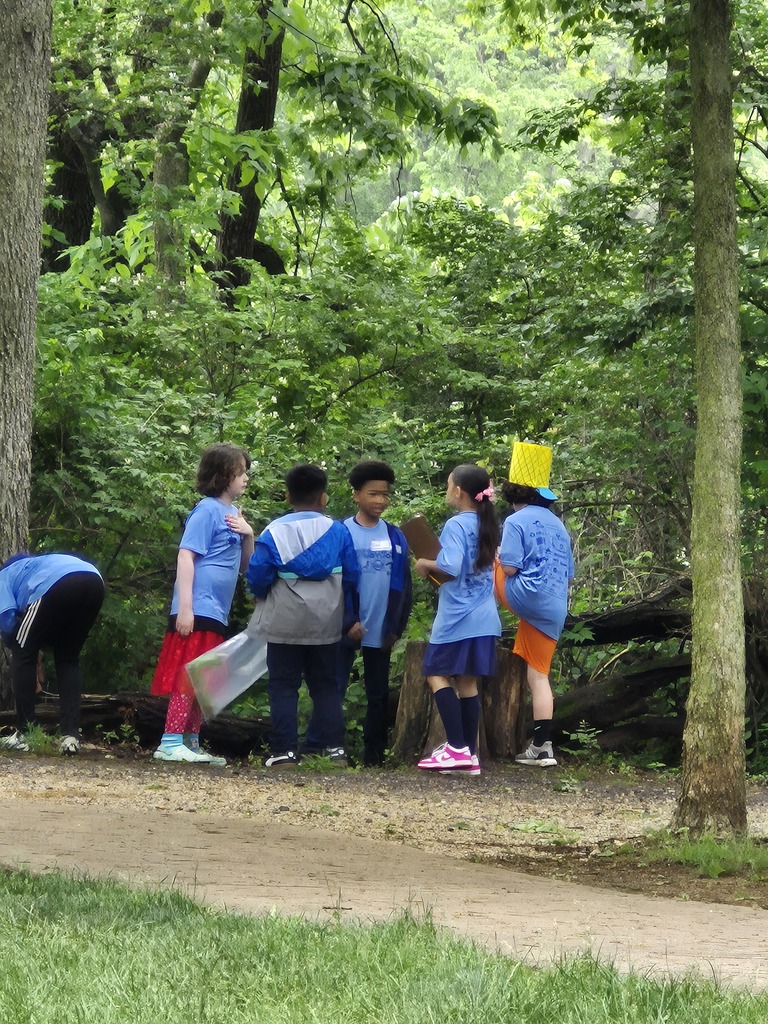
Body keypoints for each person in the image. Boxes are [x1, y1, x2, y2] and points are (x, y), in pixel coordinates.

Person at [245, 463, 360, 767]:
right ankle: (333, 749)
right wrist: (348, 613)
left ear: (288, 496)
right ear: (323, 497)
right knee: (326, 685)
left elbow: (258, 574)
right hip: (327, 620)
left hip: (285, 619)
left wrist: (258, 592)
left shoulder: (274, 531)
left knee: (283, 685)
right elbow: (352, 575)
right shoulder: (338, 530)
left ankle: (283, 751)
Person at [151, 443, 253, 765]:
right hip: (197, 608)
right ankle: (170, 741)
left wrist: (249, 535)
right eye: (241, 472)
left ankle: (191, 742)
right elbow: (186, 556)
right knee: (188, 674)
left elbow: (245, 567)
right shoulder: (206, 510)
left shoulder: (234, 515)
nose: (246, 478)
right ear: (223, 475)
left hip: (216, 611)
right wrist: (185, 608)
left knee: (203, 678)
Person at [306, 460, 412, 767]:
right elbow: (331, 582)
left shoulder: (395, 537)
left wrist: (396, 627)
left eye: (385, 494)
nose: (380, 500)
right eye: (373, 494)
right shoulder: (340, 532)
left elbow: (404, 585)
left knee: (378, 694)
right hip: (343, 627)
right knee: (334, 686)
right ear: (356, 495)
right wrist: (347, 621)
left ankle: (373, 757)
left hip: (381, 630)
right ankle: (321, 748)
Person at [414, 464, 501, 775]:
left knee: (435, 672)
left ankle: (455, 747)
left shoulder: (456, 525)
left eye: (449, 485)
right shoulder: (488, 523)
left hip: (458, 618)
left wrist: (424, 563)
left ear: (458, 491)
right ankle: (469, 754)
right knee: (467, 682)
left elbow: (450, 567)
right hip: (485, 617)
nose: (447, 490)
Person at [497, 441, 575, 767]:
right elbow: (568, 577)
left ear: (513, 494)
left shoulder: (515, 521)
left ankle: (477, 618)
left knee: (492, 561)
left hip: (526, 596)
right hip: (555, 606)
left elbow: (509, 569)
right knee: (539, 677)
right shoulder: (560, 526)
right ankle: (543, 747)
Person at [0, 553, 105, 754]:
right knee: (68, 657)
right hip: (94, 581)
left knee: (22, 651)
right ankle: (70, 736)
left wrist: (20, 644)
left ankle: (24, 734)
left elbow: (8, 623)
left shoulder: (3, 575)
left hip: (55, 583)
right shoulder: (35, 565)